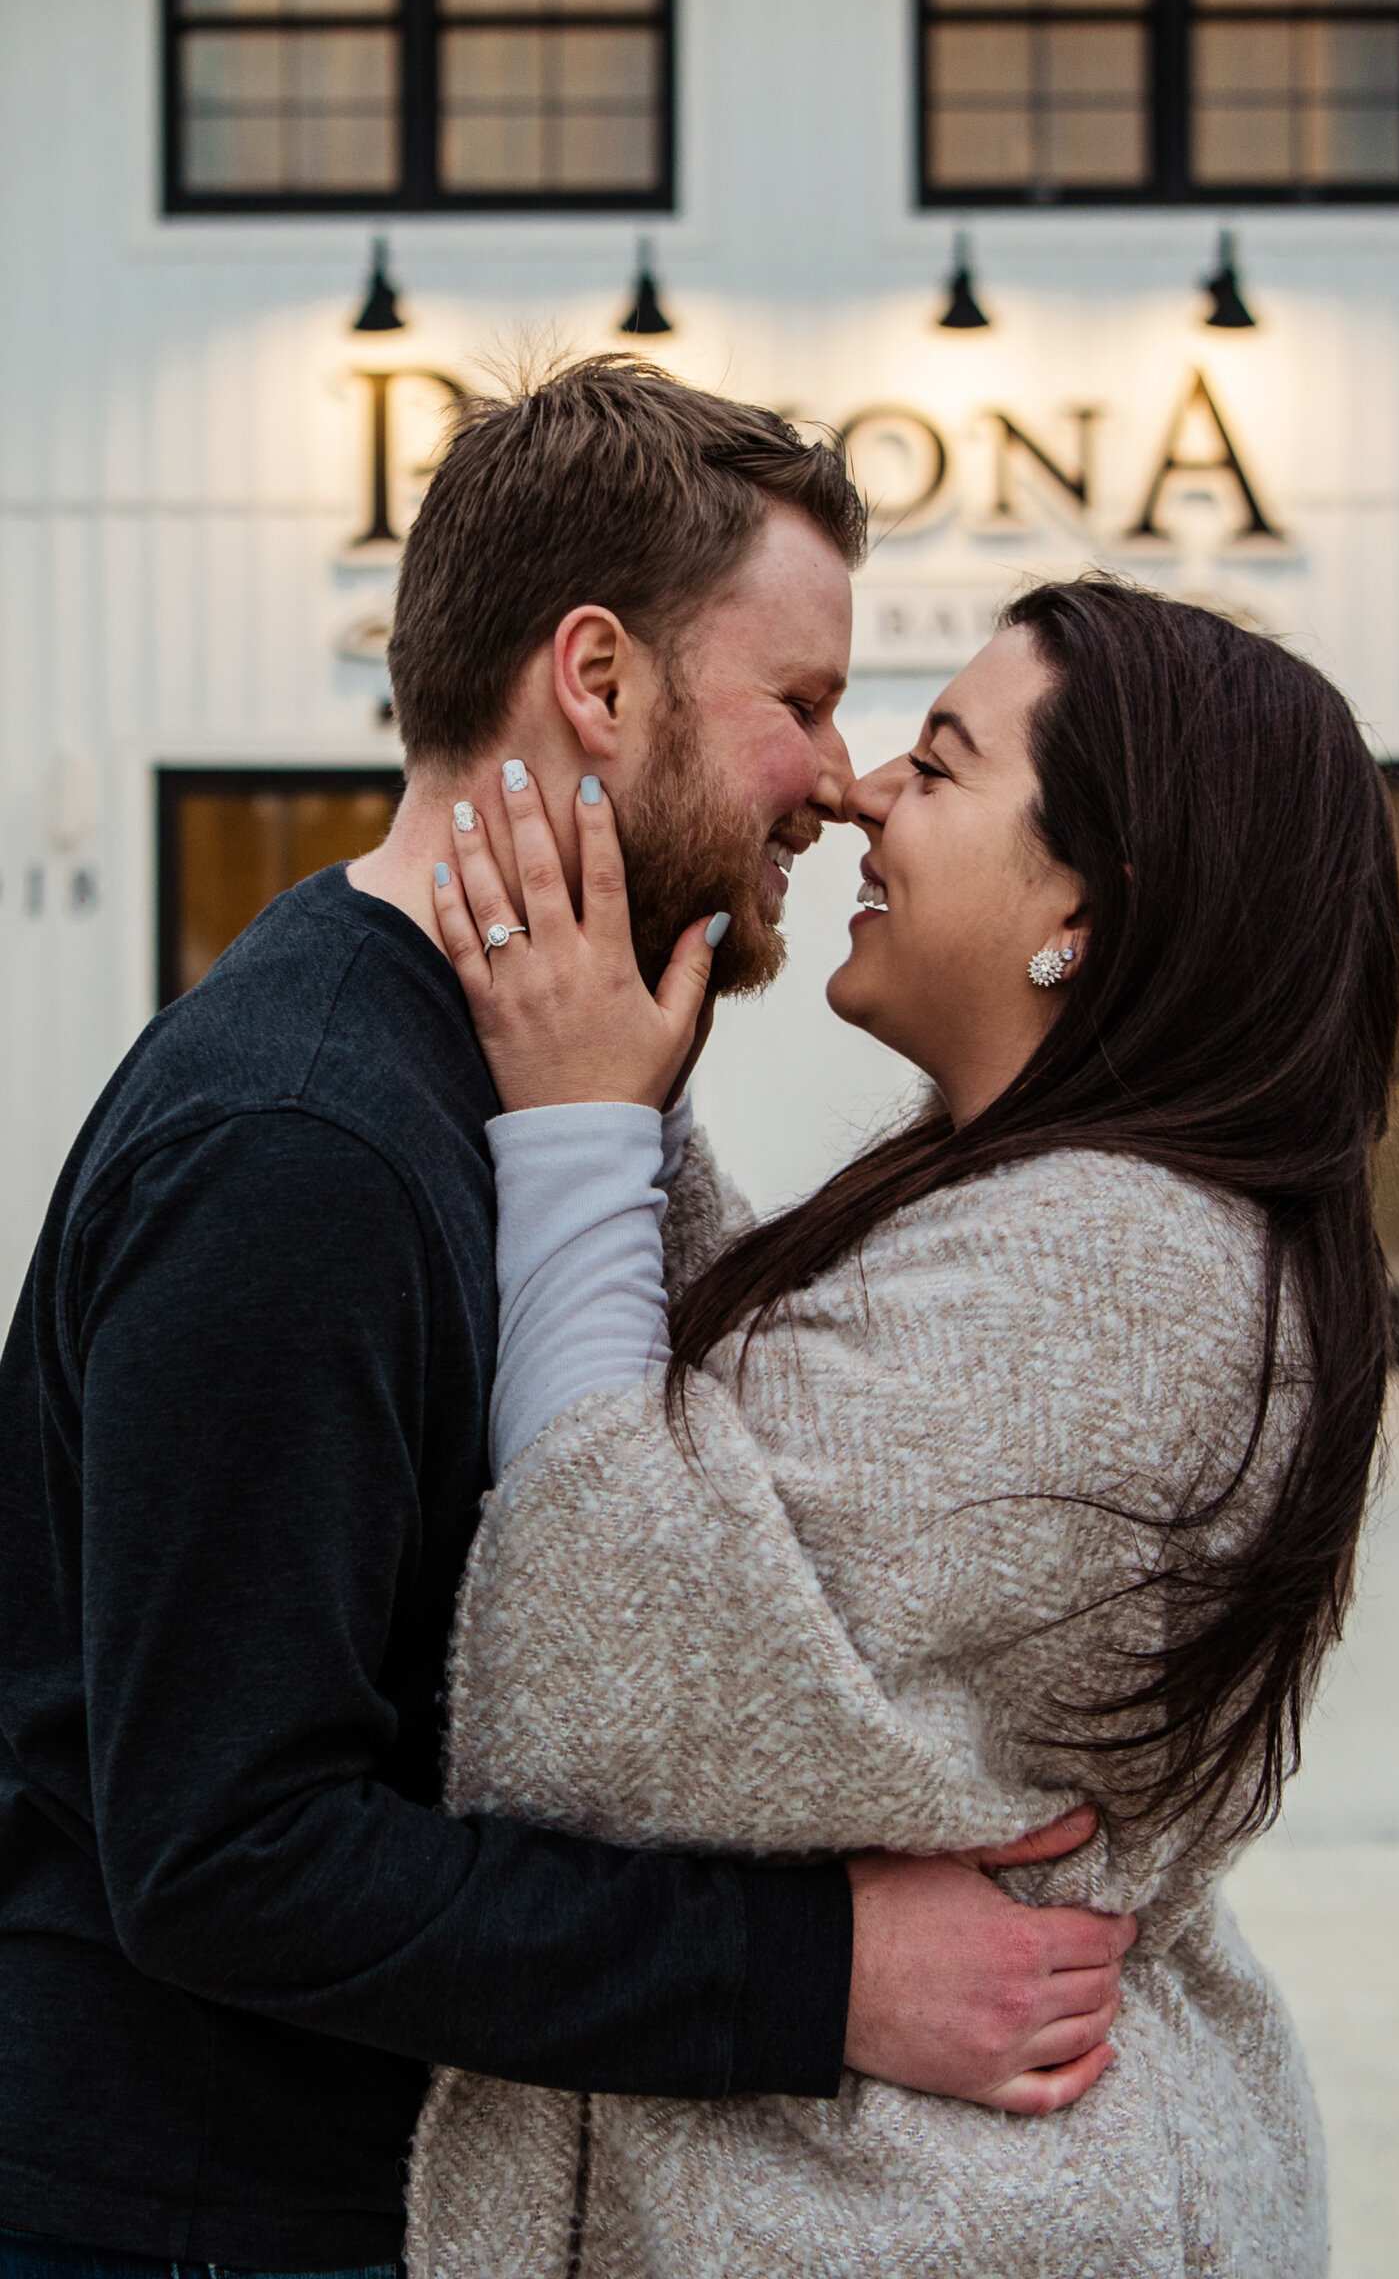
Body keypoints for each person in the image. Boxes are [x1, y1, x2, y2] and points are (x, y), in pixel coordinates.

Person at [0, 362, 1133, 2278]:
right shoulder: (306, 1147)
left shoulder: (505, 1086)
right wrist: (824, 1973)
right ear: (595, 682)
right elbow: (228, 1857)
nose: (841, 780)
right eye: (797, 701)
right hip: (210, 2220)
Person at [406, 574, 1399, 2276]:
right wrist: (622, 1081)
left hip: (936, 2208)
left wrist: (577, 1133)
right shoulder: (1064, 1210)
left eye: (940, 768)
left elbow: (623, 1651)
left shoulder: (1116, 1268)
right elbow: (754, 1440)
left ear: (1090, 902)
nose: (861, 789)